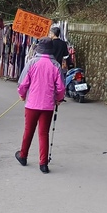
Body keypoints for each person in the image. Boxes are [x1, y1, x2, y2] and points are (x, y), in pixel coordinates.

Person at [15, 38, 65, 173]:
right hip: (48, 105)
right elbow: (60, 88)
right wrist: (59, 99)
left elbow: (23, 83)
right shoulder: (56, 65)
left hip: (32, 104)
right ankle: (43, 164)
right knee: (44, 133)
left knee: (28, 131)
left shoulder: (31, 63)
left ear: (39, 49)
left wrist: (22, 94)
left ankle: (23, 155)